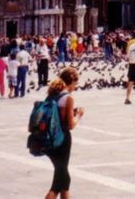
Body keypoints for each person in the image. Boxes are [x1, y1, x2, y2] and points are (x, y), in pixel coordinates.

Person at [43, 67, 84, 199]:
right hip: (62, 140)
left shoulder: (52, 94)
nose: (75, 87)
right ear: (71, 80)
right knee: (58, 183)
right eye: (75, 84)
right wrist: (78, 115)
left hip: (49, 139)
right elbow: (71, 125)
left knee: (63, 177)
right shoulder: (68, 97)